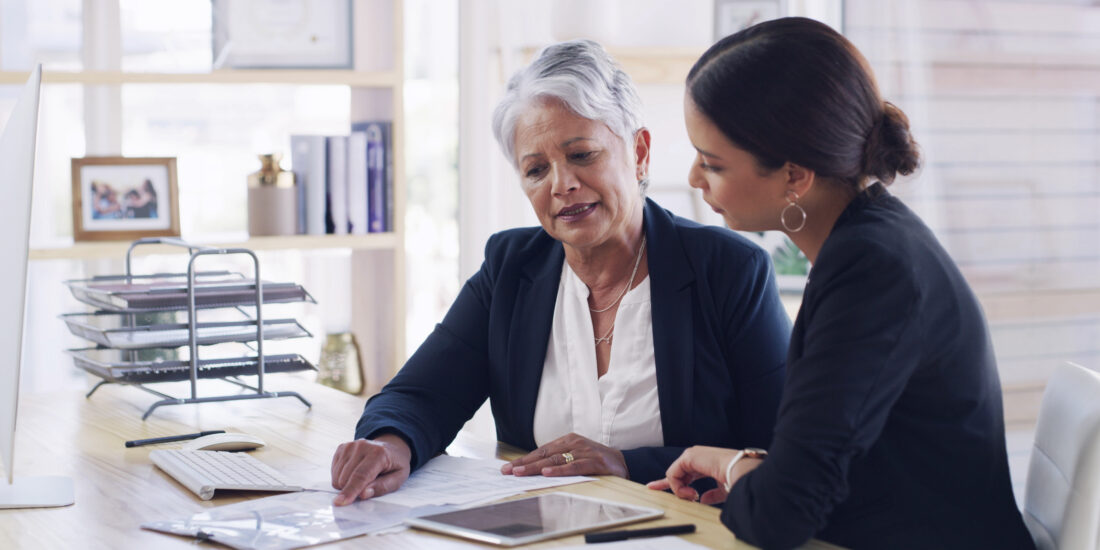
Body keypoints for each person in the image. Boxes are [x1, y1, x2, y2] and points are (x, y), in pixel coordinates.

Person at [329, 40, 791, 506]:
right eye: (535, 169)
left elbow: (778, 454)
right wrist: (389, 445)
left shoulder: (730, 270)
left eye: (582, 155)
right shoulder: (511, 265)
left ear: (639, 151)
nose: (561, 184)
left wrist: (627, 463)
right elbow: (419, 394)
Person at [647, 17, 1035, 549]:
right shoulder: (869, 241)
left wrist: (735, 465)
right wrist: (758, 470)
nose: (694, 178)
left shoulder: (871, 271)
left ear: (794, 177)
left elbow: (780, 518)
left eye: (711, 164)